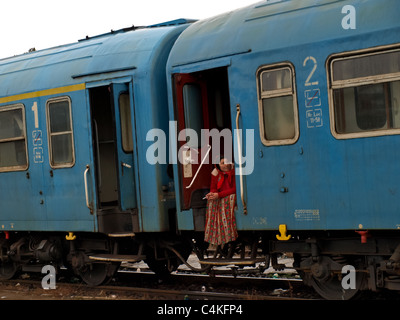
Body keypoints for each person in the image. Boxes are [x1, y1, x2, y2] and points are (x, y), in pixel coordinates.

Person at [204, 156, 238, 246]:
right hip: (220, 197)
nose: (226, 165)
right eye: (223, 163)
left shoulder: (235, 172)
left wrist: (218, 195)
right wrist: (212, 194)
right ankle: (215, 236)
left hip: (230, 196)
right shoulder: (215, 173)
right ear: (218, 165)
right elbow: (213, 188)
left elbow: (235, 189)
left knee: (229, 199)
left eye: (227, 162)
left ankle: (229, 235)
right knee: (211, 201)